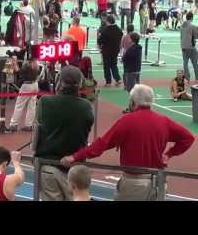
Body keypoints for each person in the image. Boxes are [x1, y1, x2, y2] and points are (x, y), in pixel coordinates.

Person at [61, 84, 195, 201]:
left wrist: (75, 156)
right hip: (157, 182)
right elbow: (188, 138)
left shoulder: (127, 122)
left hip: (133, 184)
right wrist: (169, 154)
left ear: (132, 102)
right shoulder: (164, 121)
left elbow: (100, 145)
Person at [32, 65, 94, 201]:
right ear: (80, 84)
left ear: (60, 81)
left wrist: (34, 154)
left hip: (48, 165)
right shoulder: (86, 107)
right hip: (75, 169)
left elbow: (37, 131)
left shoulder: (45, 102)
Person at [7, 60, 40, 132]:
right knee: (32, 106)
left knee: (19, 105)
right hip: (35, 84)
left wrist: (15, 62)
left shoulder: (27, 64)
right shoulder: (35, 63)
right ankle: (29, 125)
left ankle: (13, 124)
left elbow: (19, 73)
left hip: (27, 86)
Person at [98, 15, 123, 87]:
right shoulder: (118, 29)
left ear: (107, 21)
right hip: (115, 50)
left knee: (106, 66)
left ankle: (108, 82)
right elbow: (121, 36)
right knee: (114, 65)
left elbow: (100, 40)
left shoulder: (105, 30)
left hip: (106, 51)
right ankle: (118, 79)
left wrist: (100, 45)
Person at [122, 33, 142, 112]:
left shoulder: (131, 49)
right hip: (137, 70)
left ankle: (132, 107)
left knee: (131, 90)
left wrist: (123, 59)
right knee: (135, 89)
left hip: (131, 71)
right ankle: (135, 106)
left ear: (132, 40)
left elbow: (126, 58)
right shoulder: (138, 48)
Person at [180, 12, 198, 83]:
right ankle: (197, 77)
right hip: (191, 47)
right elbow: (196, 36)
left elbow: (181, 36)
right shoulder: (192, 26)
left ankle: (187, 78)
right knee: (195, 63)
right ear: (191, 18)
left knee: (185, 63)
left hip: (183, 46)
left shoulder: (182, 26)